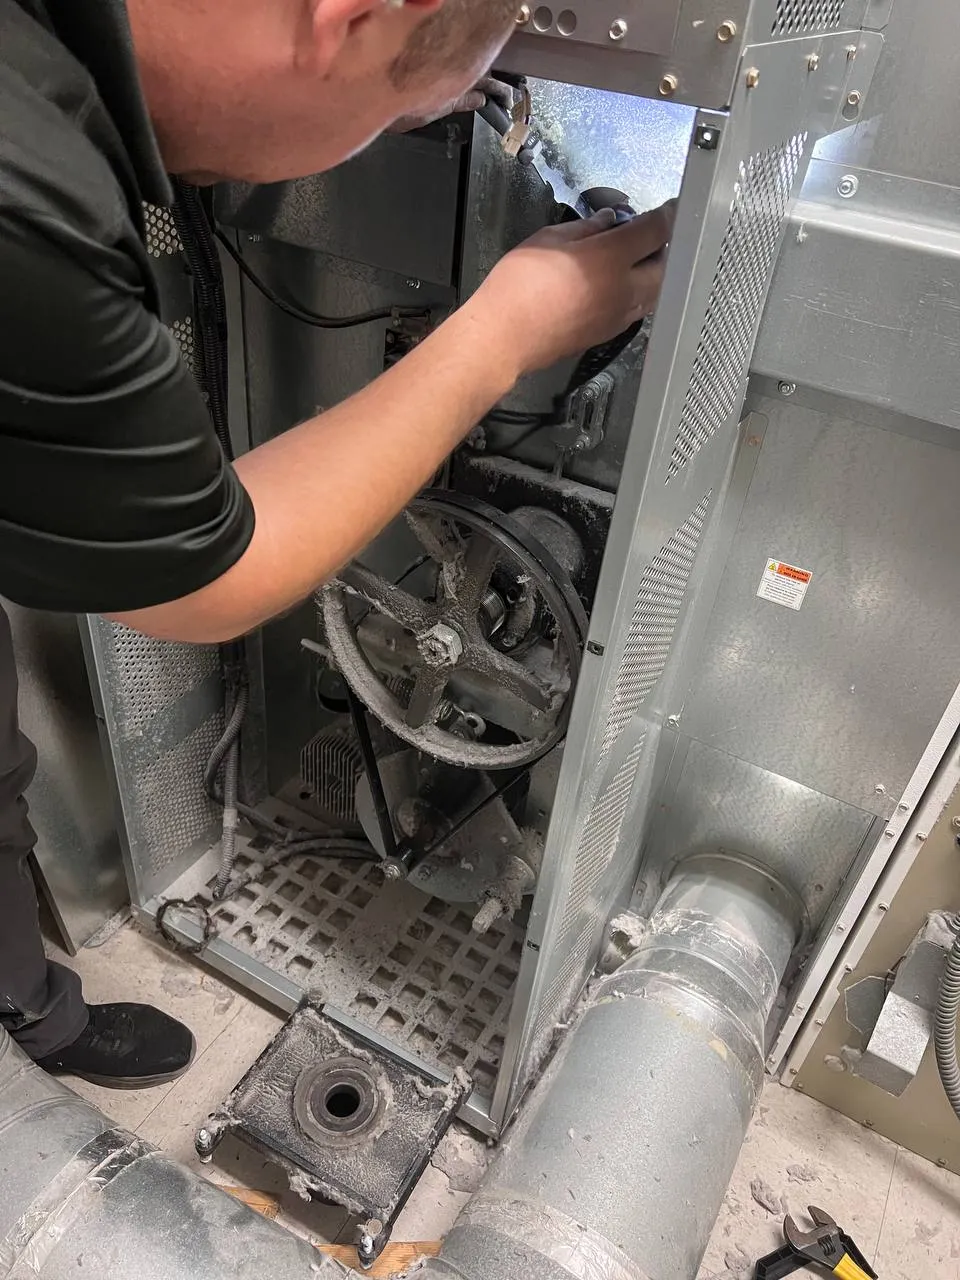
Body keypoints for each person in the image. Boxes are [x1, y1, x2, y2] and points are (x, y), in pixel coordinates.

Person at [0, 0, 675, 1088]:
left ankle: (27, 1002)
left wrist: (389, 93)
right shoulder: (24, 186)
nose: (387, 136)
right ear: (348, 18)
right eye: (391, 112)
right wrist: (507, 327)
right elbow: (201, 578)